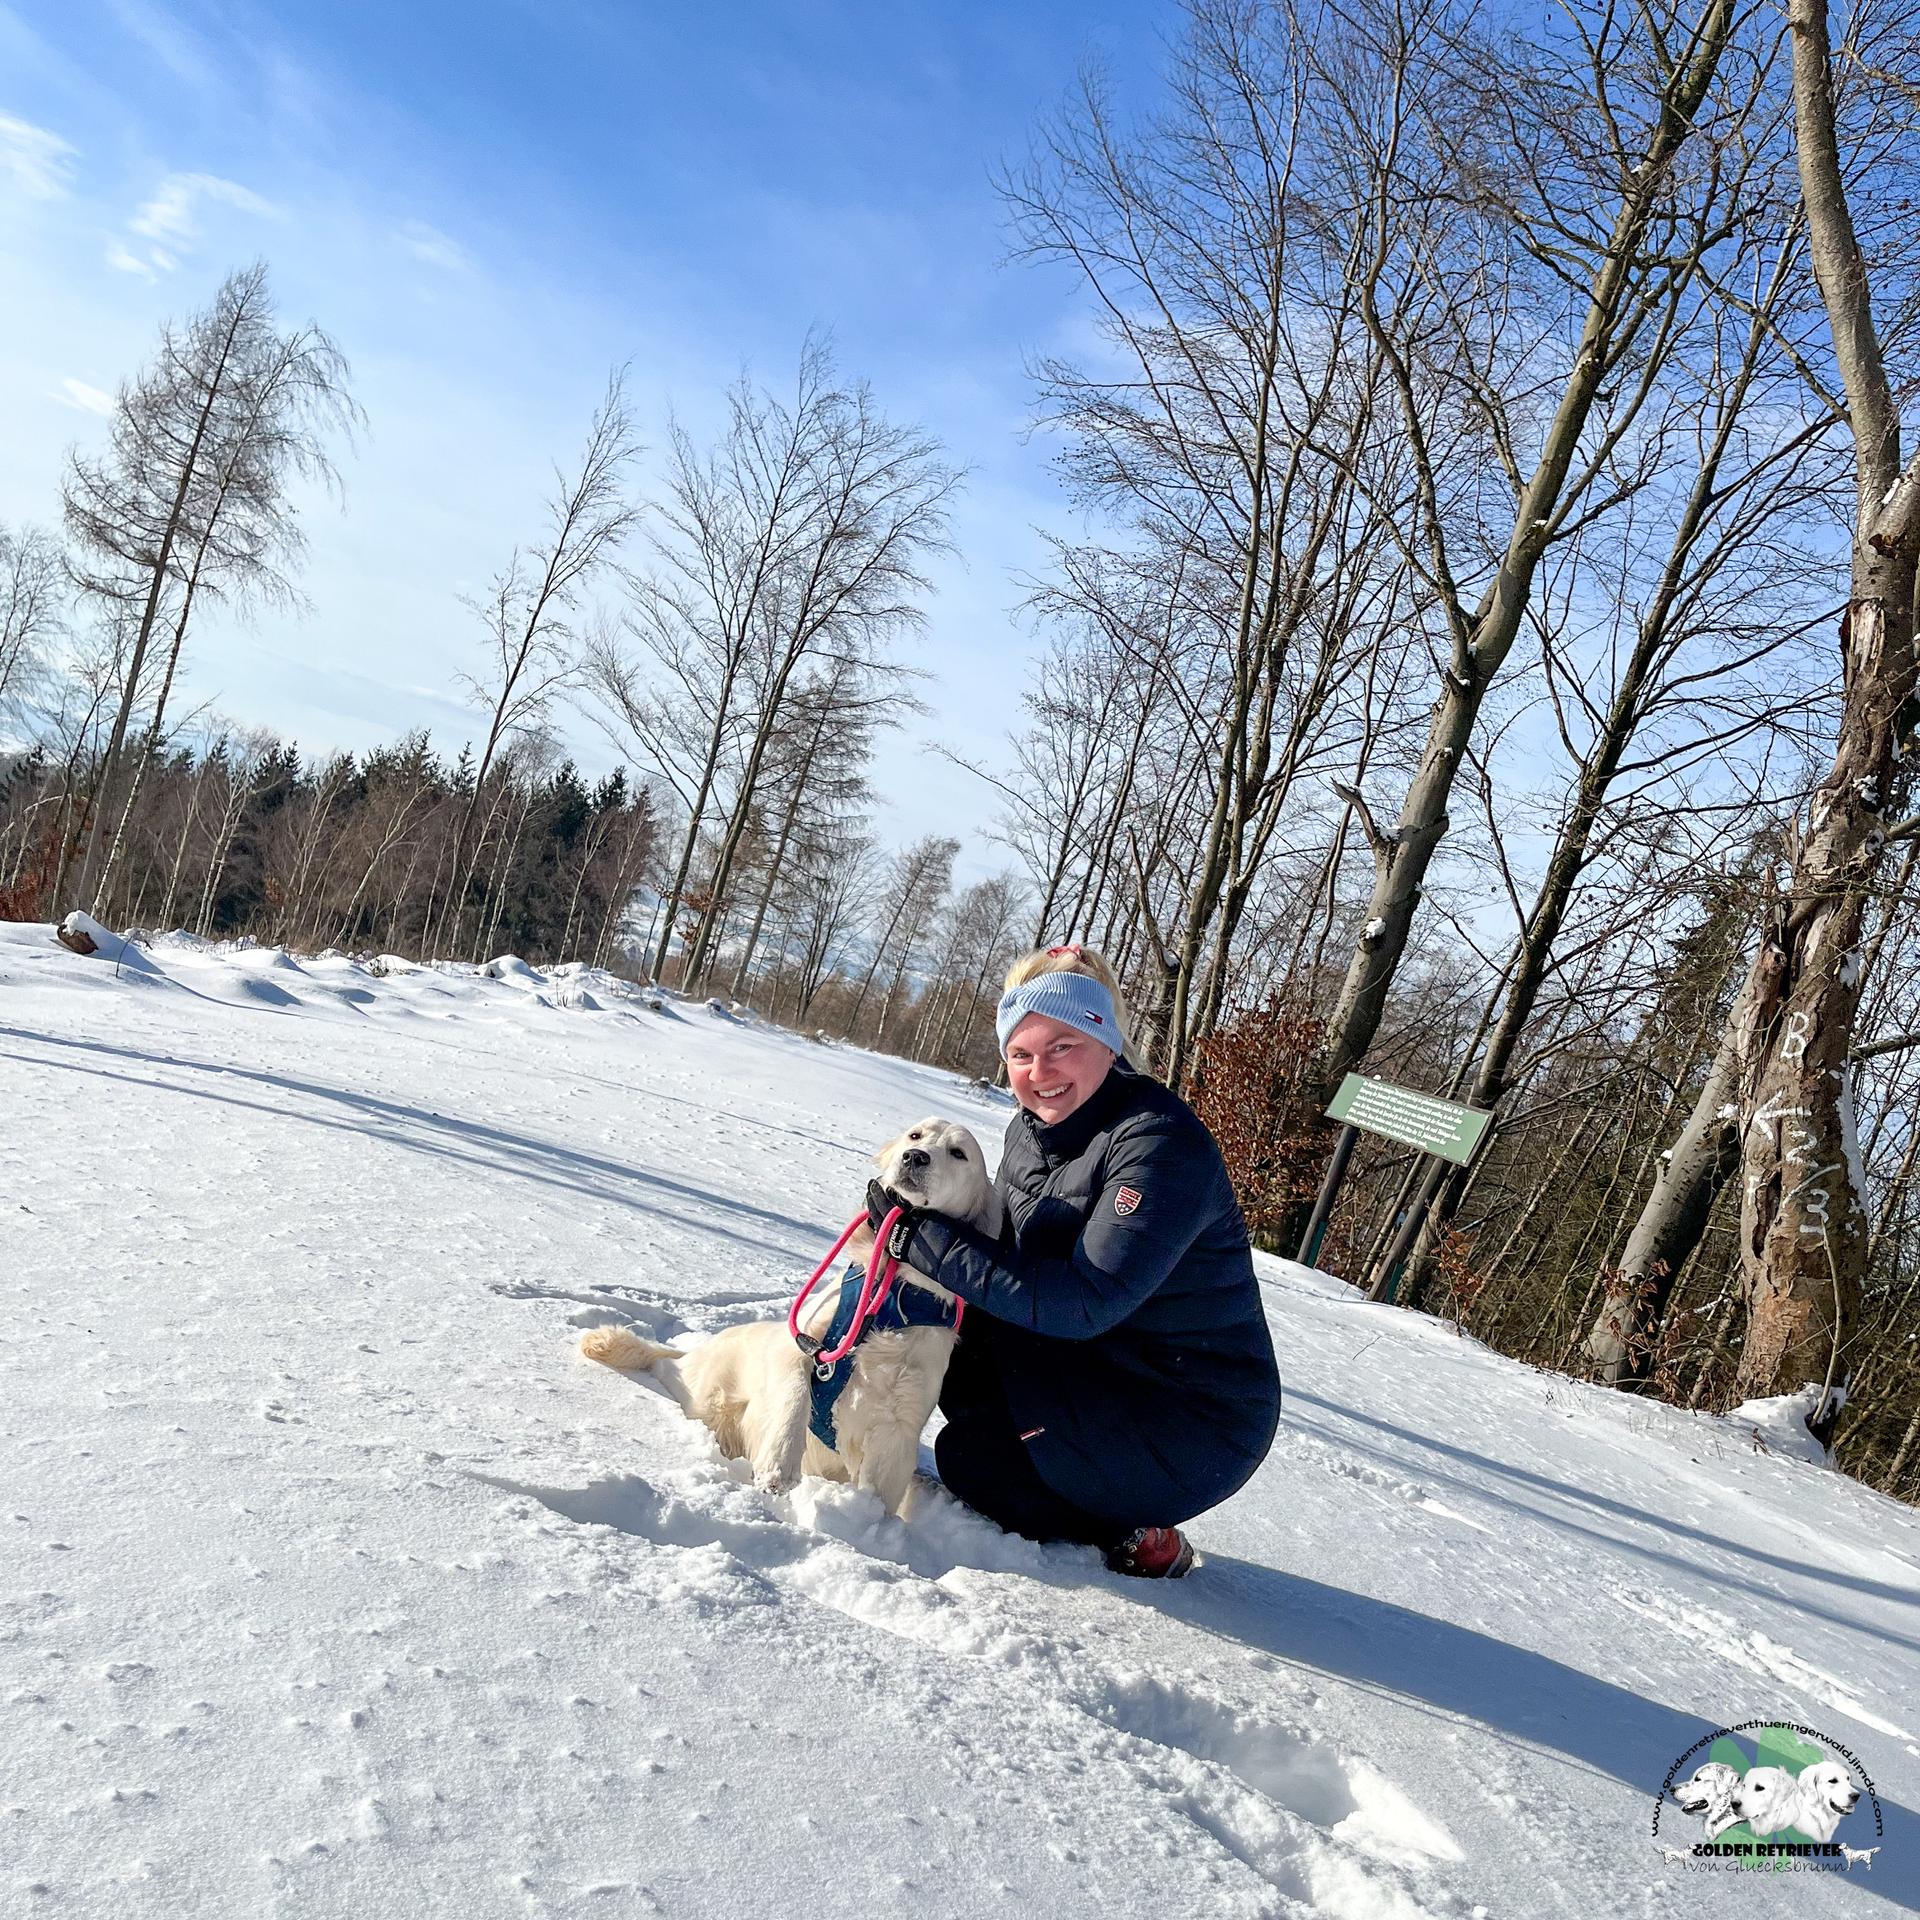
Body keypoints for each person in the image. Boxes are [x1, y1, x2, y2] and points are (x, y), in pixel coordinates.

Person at [869, 945, 1281, 1577]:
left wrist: (918, 1240)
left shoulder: (1159, 1145)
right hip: (1096, 1362)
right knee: (942, 1341)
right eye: (1021, 1054)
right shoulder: (1029, 1131)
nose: (1041, 1071)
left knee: (972, 1462)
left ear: (1107, 1043)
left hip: (1187, 1418)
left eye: (1063, 1046)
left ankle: (1128, 1527)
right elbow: (997, 1249)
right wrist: (911, 1204)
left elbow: (1085, 1300)